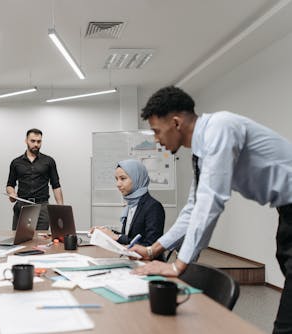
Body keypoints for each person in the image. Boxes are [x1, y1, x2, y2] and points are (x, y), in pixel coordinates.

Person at [130, 86, 292, 334]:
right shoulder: (201, 151)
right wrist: (154, 249)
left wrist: (177, 266)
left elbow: (211, 199)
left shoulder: (220, 128)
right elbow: (194, 207)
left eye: (156, 131)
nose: (156, 140)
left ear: (175, 122)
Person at [92, 159, 165, 250]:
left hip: (147, 262)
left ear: (137, 178)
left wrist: (116, 237)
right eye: (117, 179)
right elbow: (129, 237)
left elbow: (151, 246)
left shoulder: (153, 207)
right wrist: (106, 232)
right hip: (131, 259)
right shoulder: (130, 204)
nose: (118, 184)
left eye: (123, 178)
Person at [6, 128, 64, 230]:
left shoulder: (49, 161)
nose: (36, 144)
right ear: (26, 141)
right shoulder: (16, 162)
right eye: (32, 141)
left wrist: (61, 208)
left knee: (41, 241)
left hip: (42, 207)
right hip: (22, 206)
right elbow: (10, 184)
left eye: (39, 141)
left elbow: (56, 185)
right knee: (19, 240)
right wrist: (11, 193)